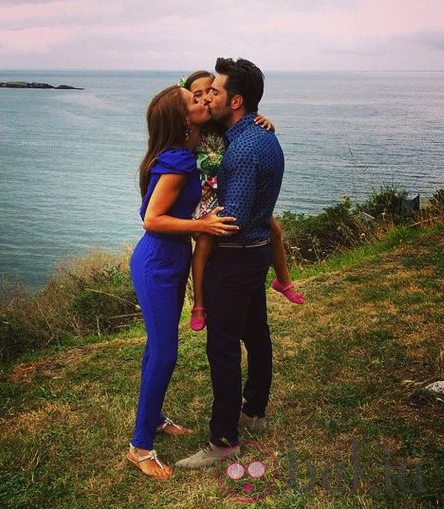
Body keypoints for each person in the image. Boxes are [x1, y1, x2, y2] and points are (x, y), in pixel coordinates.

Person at [127, 84, 239, 479]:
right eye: (195, 100)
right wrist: (201, 225)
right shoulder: (177, 160)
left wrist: (259, 119)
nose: (203, 100)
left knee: (157, 348)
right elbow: (152, 219)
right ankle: (140, 447)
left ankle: (154, 418)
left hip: (171, 259)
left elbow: (227, 127)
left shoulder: (185, 151)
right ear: (182, 118)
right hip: (157, 262)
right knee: (164, 352)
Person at [176, 58, 284, 469]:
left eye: (216, 92)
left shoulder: (241, 150)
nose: (209, 98)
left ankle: (223, 440)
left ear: (235, 101)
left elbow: (232, 218)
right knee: (255, 332)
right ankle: (254, 411)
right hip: (257, 252)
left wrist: (199, 225)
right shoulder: (263, 135)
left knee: (222, 348)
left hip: (235, 258)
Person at [182, 71, 304, 332]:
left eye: (211, 92)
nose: (205, 99)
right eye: (197, 96)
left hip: (233, 189)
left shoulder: (223, 124)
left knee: (274, 229)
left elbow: (243, 127)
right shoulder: (195, 127)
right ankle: (198, 303)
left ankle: (284, 280)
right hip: (209, 192)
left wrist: (266, 122)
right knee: (204, 244)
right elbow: (184, 155)